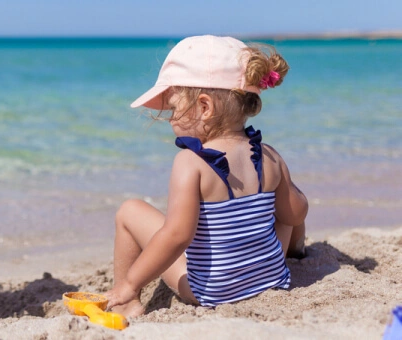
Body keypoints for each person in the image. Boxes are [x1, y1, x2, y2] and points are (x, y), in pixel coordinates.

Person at [104, 35, 309, 317]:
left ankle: (128, 302)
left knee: (129, 212)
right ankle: (297, 253)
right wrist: (290, 195)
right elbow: (295, 215)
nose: (172, 119)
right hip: (269, 280)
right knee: (286, 208)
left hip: (212, 292)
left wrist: (131, 283)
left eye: (174, 108)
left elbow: (177, 236)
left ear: (204, 107)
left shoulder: (191, 163)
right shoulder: (269, 155)